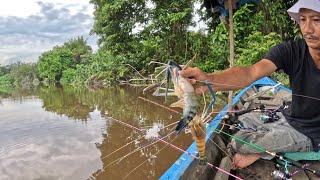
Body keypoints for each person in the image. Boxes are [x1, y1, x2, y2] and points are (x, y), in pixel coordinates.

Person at [179, 0, 320, 169]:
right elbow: (250, 73)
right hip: (291, 116)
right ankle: (269, 145)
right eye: (303, 20)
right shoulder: (291, 50)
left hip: (312, 134)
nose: (307, 29)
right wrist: (208, 79)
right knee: (241, 118)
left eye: (316, 20)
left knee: (240, 143)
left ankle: (263, 151)